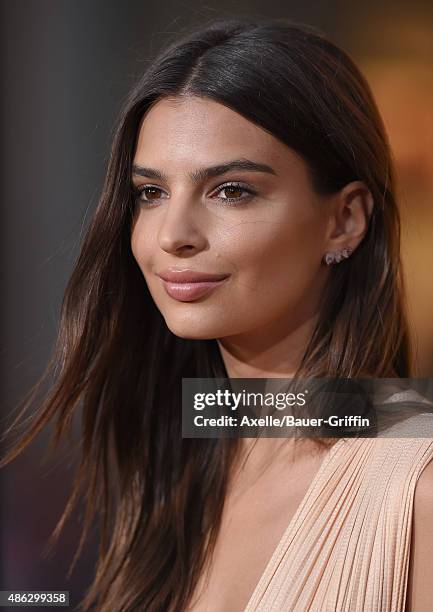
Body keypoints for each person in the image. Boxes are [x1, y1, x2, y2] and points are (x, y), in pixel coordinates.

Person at [1, 16, 433, 612]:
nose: (173, 235)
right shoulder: (170, 466)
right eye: (151, 193)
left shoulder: (418, 491)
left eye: (231, 190)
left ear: (345, 220)